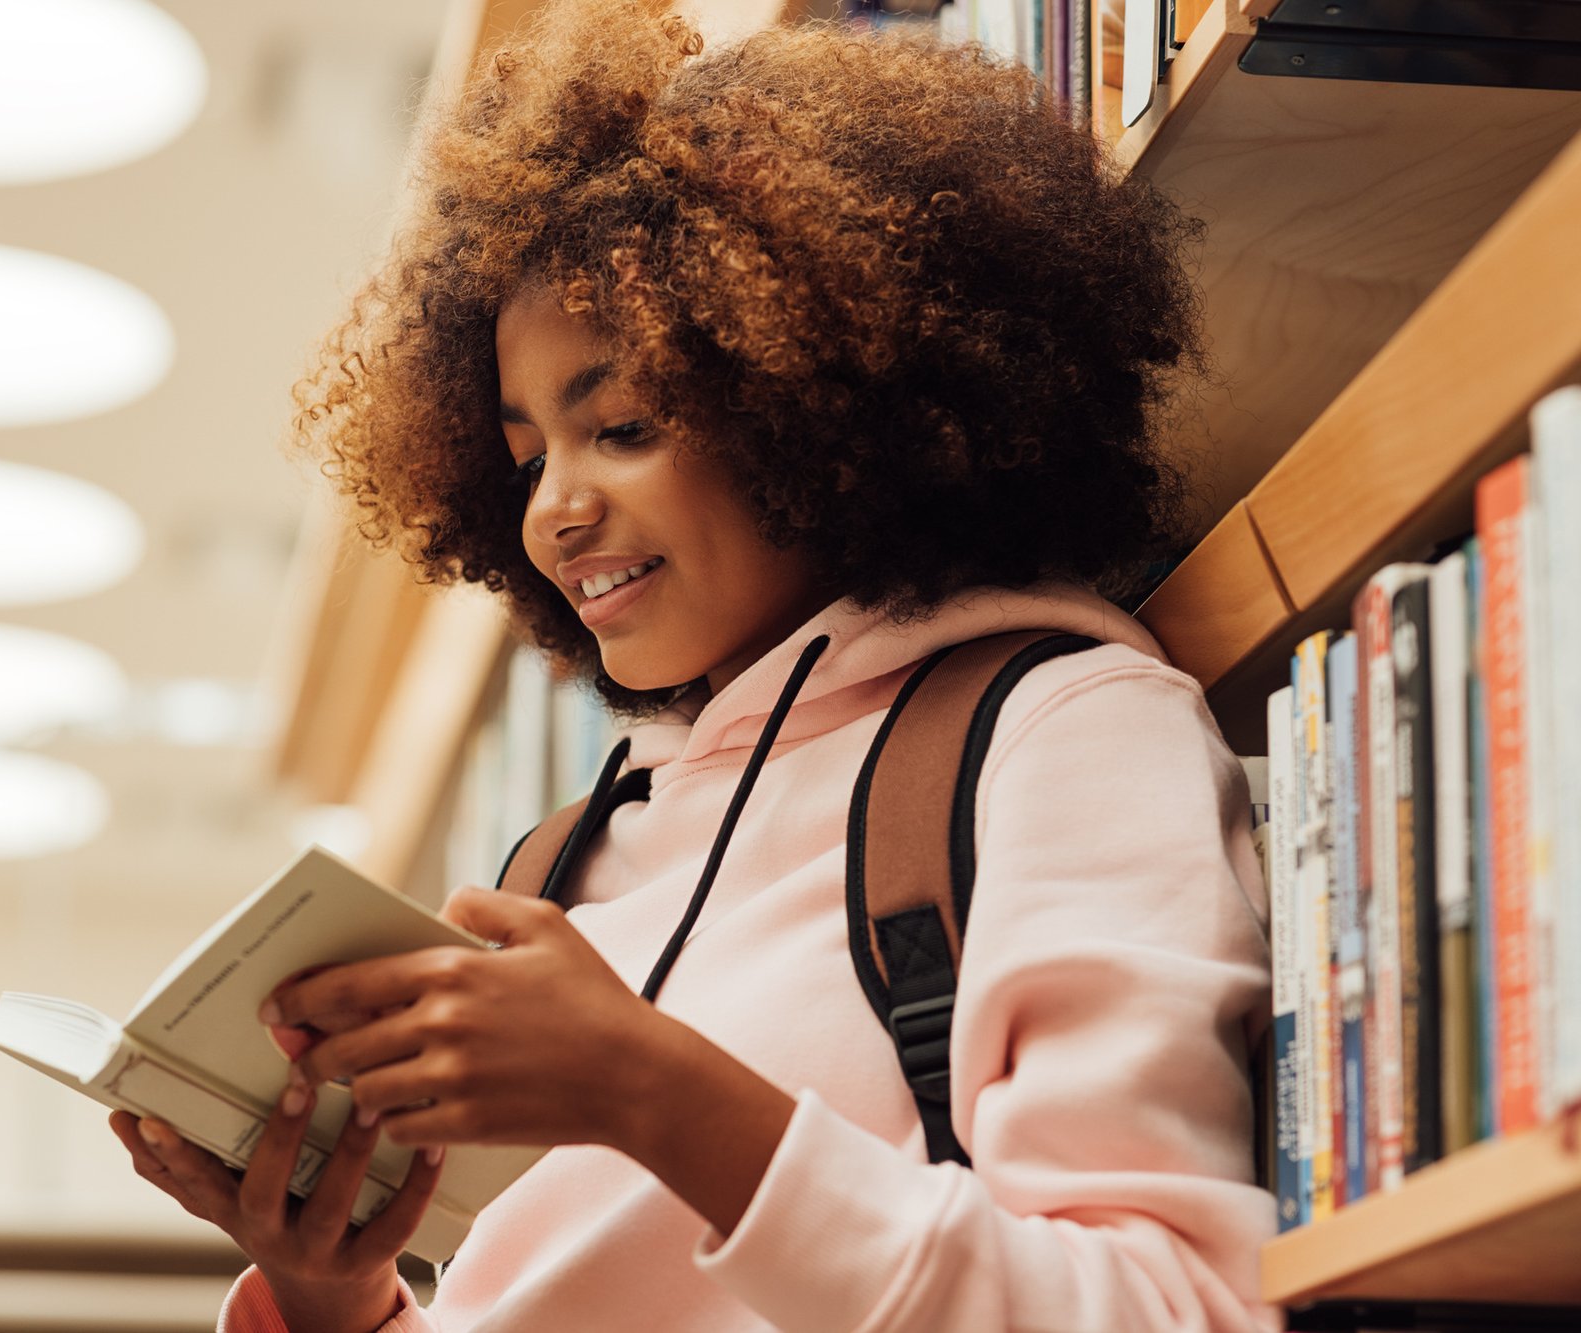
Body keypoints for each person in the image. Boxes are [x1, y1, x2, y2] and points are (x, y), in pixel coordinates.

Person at [108, 3, 1279, 1329]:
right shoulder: (565, 858)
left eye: (621, 424)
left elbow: (1171, 1307)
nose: (553, 510)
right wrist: (339, 1294)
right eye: (527, 454)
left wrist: (649, 1087)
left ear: (820, 393)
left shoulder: (1061, 731)